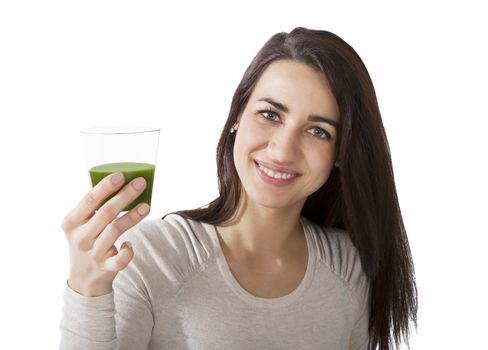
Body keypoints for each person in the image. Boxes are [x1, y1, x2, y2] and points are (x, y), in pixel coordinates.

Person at [60, 27, 417, 350]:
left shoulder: (347, 267)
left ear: (341, 153)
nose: (283, 149)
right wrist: (86, 288)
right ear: (236, 118)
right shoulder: (151, 258)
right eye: (270, 115)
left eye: (318, 131)